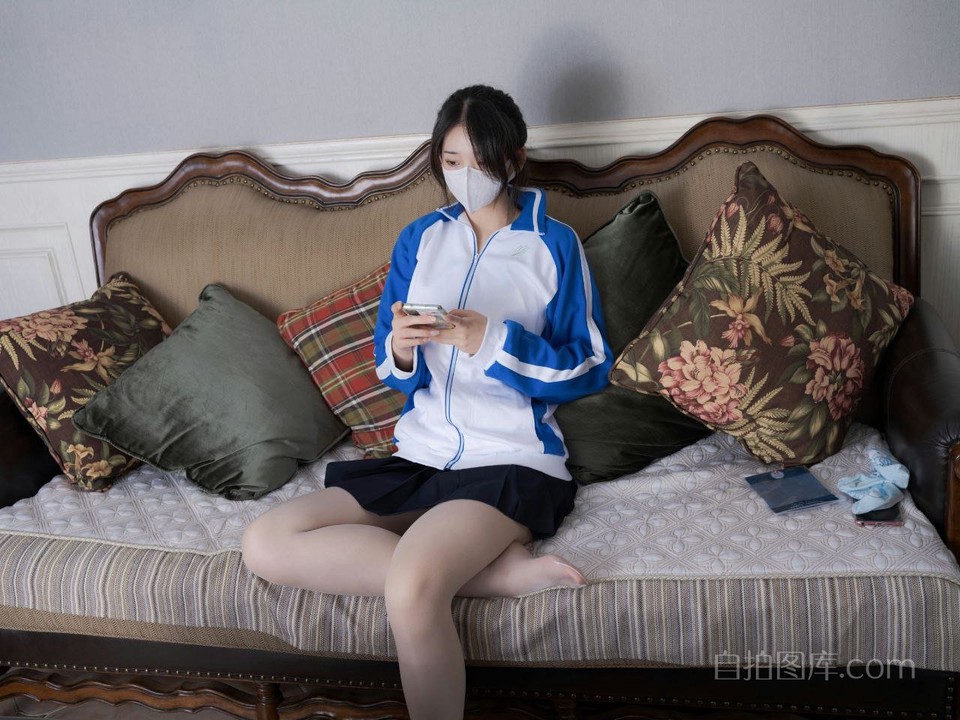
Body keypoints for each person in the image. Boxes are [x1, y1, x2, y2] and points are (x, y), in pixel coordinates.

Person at [242, 84, 612, 719]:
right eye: (452, 161)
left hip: (509, 463)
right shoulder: (420, 238)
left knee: (413, 588)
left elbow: (588, 366)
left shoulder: (553, 244)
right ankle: (493, 577)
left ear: (515, 159)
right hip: (420, 457)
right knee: (266, 541)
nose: (466, 175)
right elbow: (390, 368)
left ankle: (459, 575)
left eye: (482, 161)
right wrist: (403, 347)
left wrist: (490, 340)